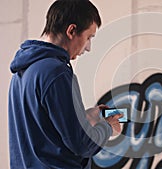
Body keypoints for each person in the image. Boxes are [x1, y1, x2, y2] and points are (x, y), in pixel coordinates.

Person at [8, 0, 123, 168]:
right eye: (88, 37)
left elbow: (43, 130)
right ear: (72, 30)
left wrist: (85, 117)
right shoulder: (57, 72)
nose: (88, 47)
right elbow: (81, 144)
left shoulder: (23, 70)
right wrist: (108, 128)